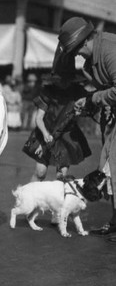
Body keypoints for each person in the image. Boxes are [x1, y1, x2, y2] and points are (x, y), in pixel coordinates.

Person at [59, 16, 116, 237]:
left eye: (76, 51)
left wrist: (93, 99)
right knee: (109, 169)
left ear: (84, 41)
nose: (77, 56)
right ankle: (114, 220)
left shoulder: (110, 50)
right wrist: (92, 103)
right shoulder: (90, 62)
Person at [22, 74, 92, 183]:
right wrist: (45, 134)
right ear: (54, 80)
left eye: (66, 80)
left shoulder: (78, 91)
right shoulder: (48, 92)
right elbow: (39, 118)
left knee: (61, 176)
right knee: (40, 173)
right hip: (46, 132)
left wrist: (81, 112)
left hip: (66, 137)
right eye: (60, 80)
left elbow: (88, 108)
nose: (63, 83)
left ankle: (57, 199)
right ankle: (29, 197)